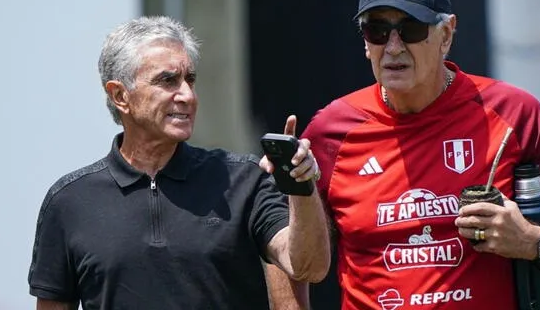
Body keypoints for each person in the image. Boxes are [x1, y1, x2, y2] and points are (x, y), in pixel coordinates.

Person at [298, 0, 540, 309]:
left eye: (411, 29)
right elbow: (289, 253)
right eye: (377, 30)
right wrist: (290, 188)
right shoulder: (330, 131)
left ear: (446, 34)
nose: (392, 47)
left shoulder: (514, 113)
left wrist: (530, 240)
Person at [27, 16, 330, 310]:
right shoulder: (69, 202)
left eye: (190, 79)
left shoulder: (244, 179)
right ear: (120, 96)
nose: (187, 95)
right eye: (167, 81)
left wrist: (299, 186)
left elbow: (309, 267)